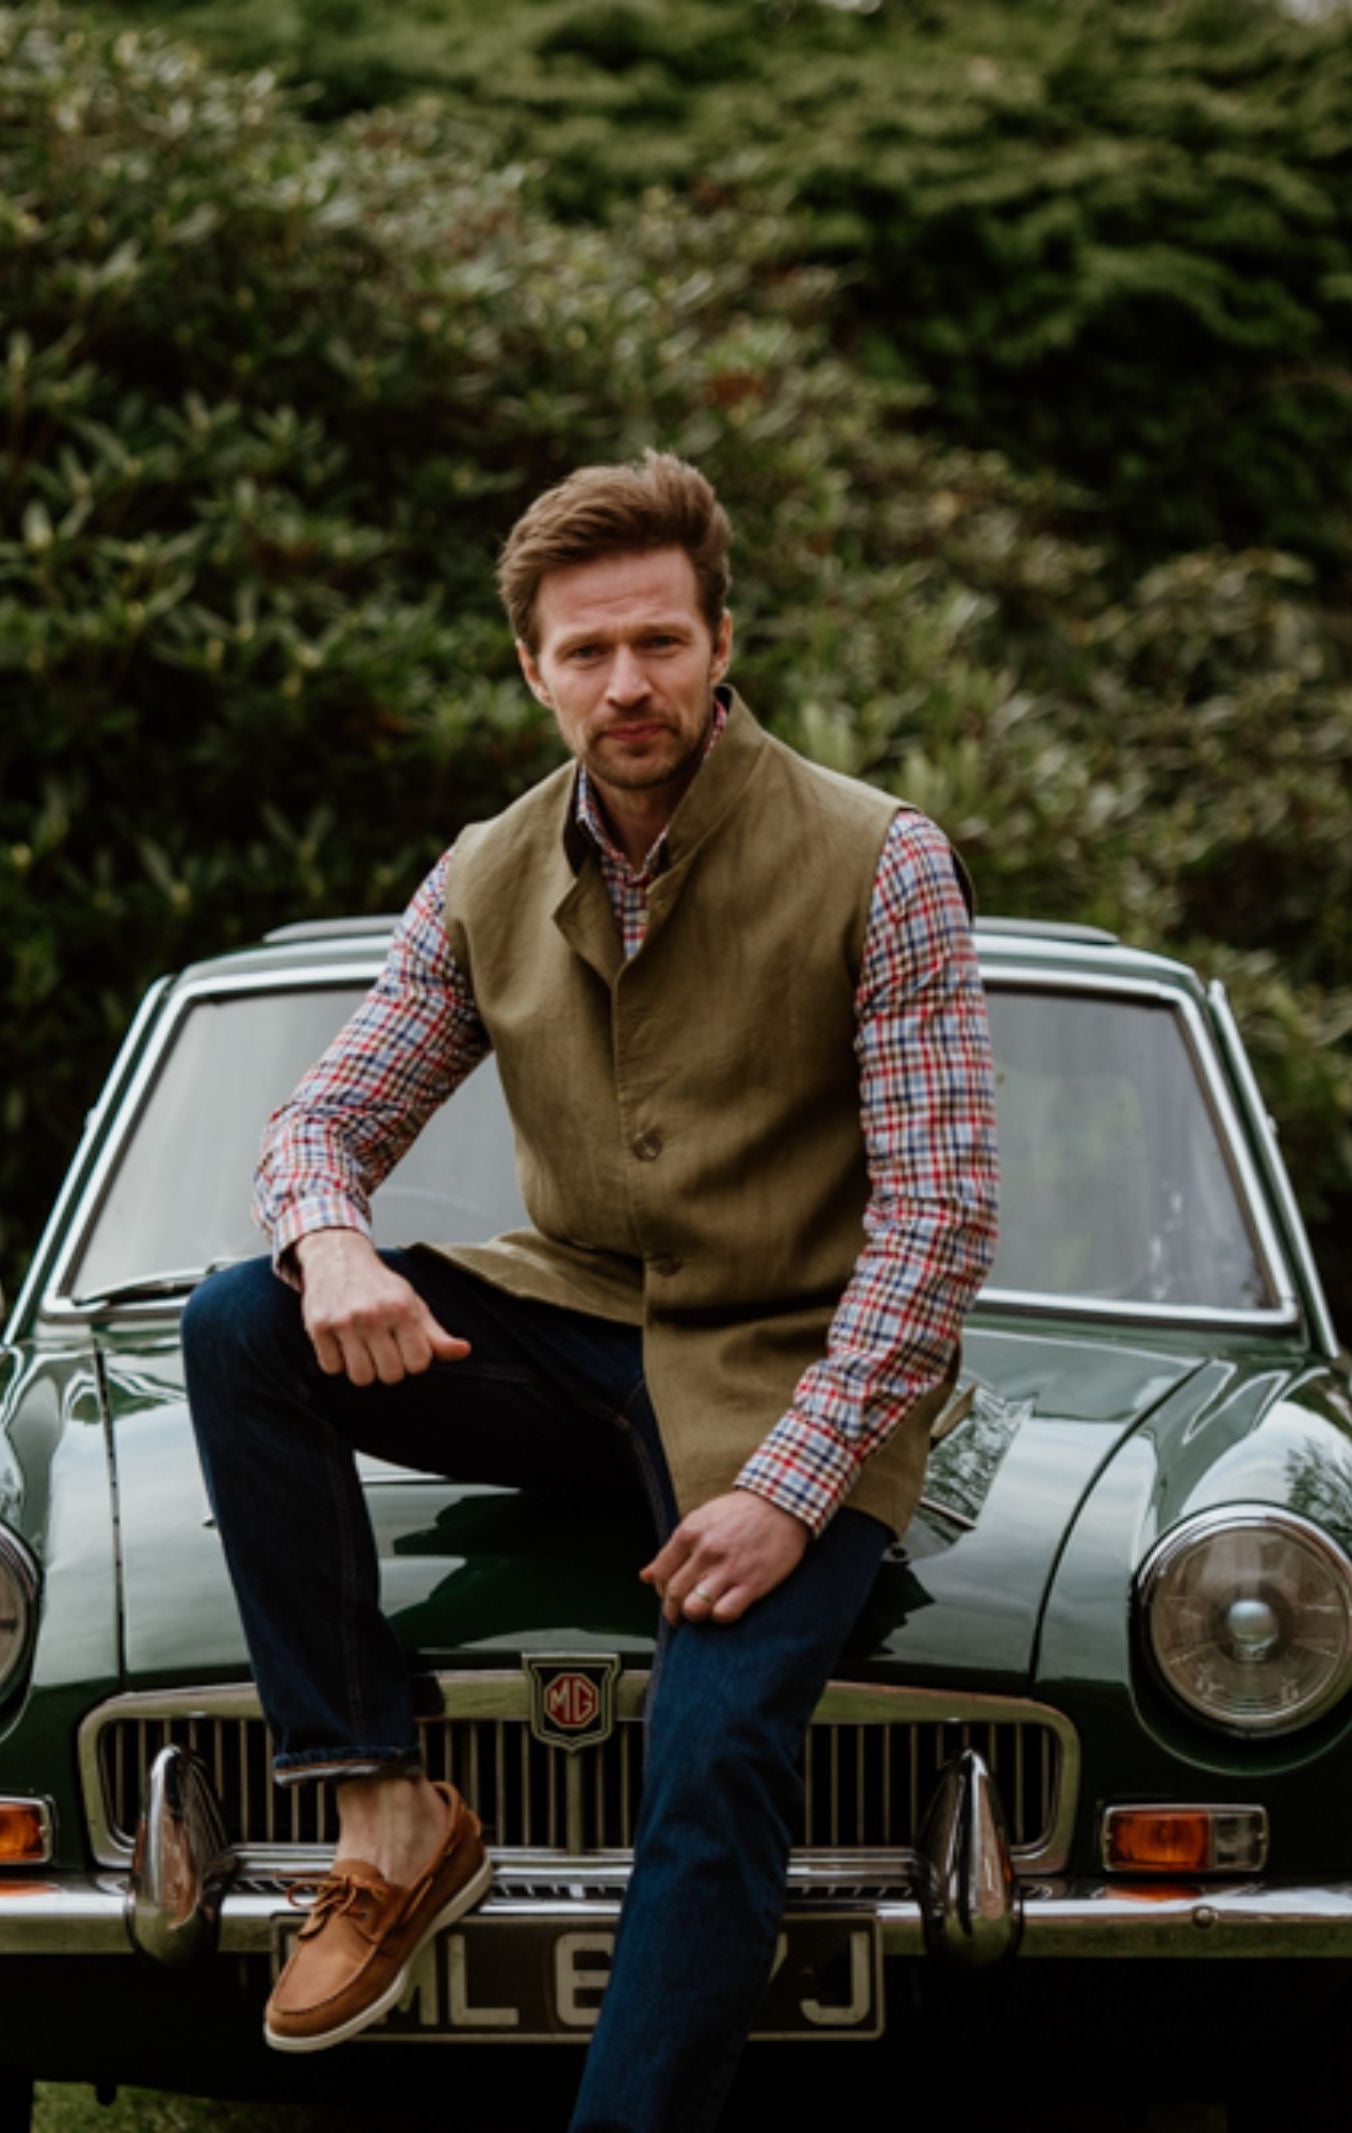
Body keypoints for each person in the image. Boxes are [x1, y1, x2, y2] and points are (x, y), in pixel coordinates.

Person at [181, 450, 1000, 2131]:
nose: (626, 684)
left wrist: (792, 1487)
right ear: (532, 670)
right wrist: (330, 1232)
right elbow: (327, 1115)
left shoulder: (881, 858)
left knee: (712, 1751)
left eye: (658, 643)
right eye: (585, 653)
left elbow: (938, 1220)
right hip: (569, 1331)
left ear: (719, 643)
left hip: (797, 1362)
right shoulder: (485, 871)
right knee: (238, 1318)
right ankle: (386, 1807)